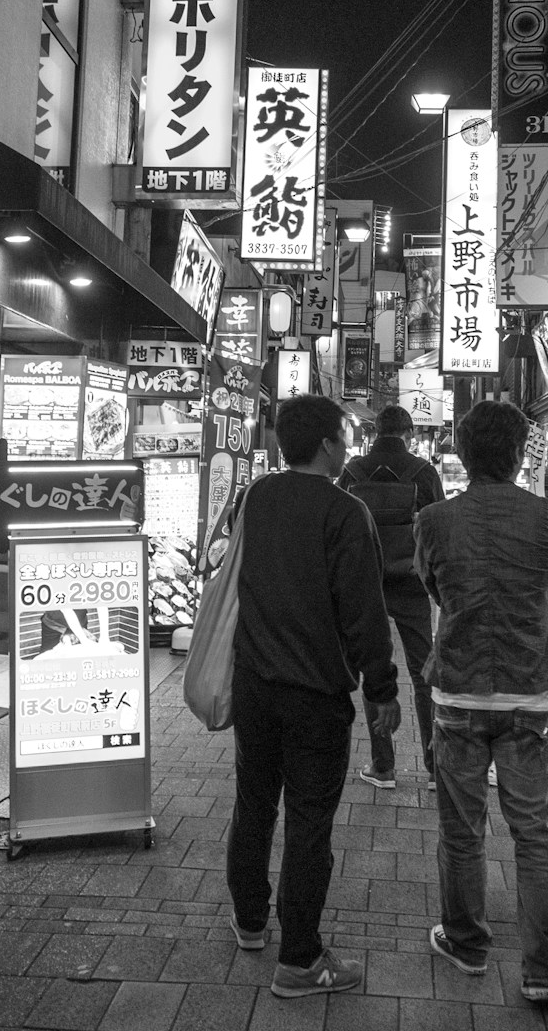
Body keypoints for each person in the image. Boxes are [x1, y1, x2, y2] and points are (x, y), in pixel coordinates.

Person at [226, 394, 401, 998]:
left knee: (254, 803)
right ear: (328, 444)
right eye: (344, 436)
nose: (348, 445)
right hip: (315, 695)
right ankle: (300, 959)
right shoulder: (344, 513)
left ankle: (250, 921)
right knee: (307, 823)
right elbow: (363, 613)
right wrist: (382, 689)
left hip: (253, 682)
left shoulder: (255, 498)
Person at [415, 400, 548, 1006]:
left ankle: (467, 943)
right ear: (517, 454)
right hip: (532, 690)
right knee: (535, 833)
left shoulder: (433, 520)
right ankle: (543, 970)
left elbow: (434, 588)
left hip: (457, 688)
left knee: (462, 831)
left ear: (462, 451)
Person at [339, 404, 443, 787]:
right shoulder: (423, 472)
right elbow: (436, 526)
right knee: (423, 673)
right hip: (413, 582)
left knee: (372, 667)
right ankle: (434, 767)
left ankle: (383, 766)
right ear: (409, 433)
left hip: (366, 582)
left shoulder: (352, 471)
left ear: (375, 432)